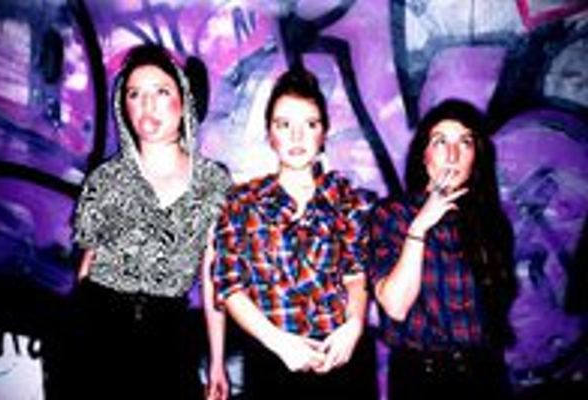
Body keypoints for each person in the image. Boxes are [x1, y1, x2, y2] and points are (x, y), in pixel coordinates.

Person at [72, 44, 230, 400]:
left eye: (161, 91)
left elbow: (212, 277)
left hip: (168, 336)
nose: (147, 104)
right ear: (123, 106)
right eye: (135, 94)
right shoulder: (106, 179)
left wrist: (217, 362)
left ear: (184, 99)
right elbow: (86, 267)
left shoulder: (213, 182)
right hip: (97, 331)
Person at [212, 67, 378, 399]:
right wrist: (279, 343)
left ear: (324, 133)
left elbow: (356, 274)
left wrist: (354, 325)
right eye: (284, 125)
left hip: (341, 355)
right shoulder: (241, 203)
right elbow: (229, 287)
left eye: (310, 124)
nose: (297, 137)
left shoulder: (348, 200)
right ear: (269, 134)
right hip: (273, 360)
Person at [369, 99, 517, 400]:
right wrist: (419, 228)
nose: (453, 155)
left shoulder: (489, 219)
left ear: (476, 155)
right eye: (440, 142)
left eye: (465, 142)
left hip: (484, 371)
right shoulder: (394, 214)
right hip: (423, 376)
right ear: (423, 155)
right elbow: (395, 306)